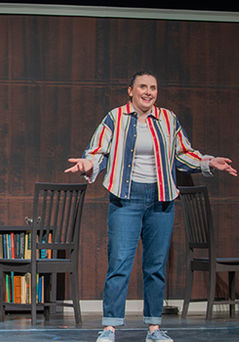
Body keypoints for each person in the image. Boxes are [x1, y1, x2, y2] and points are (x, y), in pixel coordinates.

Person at [65, 71, 237, 342]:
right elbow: (97, 151)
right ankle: (109, 327)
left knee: (155, 266)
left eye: (153, 88)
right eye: (142, 87)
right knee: (120, 262)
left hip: (161, 200)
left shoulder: (168, 119)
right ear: (130, 91)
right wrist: (88, 164)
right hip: (126, 199)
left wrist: (208, 162)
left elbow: (184, 153)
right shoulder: (115, 117)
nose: (148, 92)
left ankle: (154, 328)